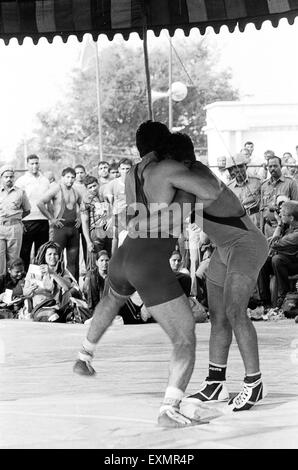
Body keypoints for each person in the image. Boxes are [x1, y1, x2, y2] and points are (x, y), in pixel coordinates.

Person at [74, 121, 226, 428]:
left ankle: (84, 354)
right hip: (149, 259)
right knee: (184, 338)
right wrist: (192, 170)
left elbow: (144, 211)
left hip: (125, 253)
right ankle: (169, 410)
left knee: (111, 300)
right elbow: (212, 190)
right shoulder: (168, 169)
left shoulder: (132, 172)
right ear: (164, 147)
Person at [162, 132, 269, 412]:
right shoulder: (185, 180)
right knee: (218, 317)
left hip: (246, 244)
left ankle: (254, 383)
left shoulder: (199, 178)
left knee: (235, 313)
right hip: (224, 248)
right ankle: (216, 383)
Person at [37, 167, 82, 281]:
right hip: (59, 230)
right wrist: (52, 219)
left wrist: (80, 218)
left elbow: (84, 206)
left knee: (73, 262)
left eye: (73, 177)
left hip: (73, 230)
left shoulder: (75, 191)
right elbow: (40, 203)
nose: (70, 180)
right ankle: (53, 285)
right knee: (54, 259)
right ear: (62, 178)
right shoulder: (56, 189)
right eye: (68, 177)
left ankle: (74, 289)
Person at [23, 241, 82, 322]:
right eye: (49, 254)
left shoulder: (62, 271)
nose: (53, 257)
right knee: (52, 314)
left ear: (59, 256)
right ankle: (56, 316)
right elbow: (25, 292)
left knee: (74, 291)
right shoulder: (34, 270)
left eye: (55, 254)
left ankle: (66, 315)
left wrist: (52, 273)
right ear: (44, 256)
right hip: (40, 307)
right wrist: (30, 289)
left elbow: (67, 287)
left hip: (58, 306)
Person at [258, 200, 298, 308]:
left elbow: (274, 243)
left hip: (294, 264)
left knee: (277, 259)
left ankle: (283, 297)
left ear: (292, 218)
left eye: (283, 214)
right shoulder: (289, 226)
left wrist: (279, 224)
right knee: (264, 261)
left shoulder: (295, 234)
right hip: (286, 262)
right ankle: (265, 302)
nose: (279, 215)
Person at [15, 154, 50, 271]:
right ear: (27, 165)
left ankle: (40, 281)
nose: (35, 166)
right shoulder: (21, 181)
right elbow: (16, 202)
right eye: (32, 163)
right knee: (25, 252)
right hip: (27, 221)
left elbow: (48, 202)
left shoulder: (45, 180)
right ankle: (24, 280)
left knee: (41, 253)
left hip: (43, 220)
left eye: (36, 163)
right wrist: (19, 221)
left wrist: (50, 217)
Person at [0, 166, 31, 276]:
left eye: (11, 177)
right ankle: (1, 289)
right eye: (6, 176)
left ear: (14, 178)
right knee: (0, 261)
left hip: (14, 228)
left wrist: (16, 219)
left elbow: (27, 210)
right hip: (0, 227)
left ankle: (12, 288)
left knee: (14, 260)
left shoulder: (20, 192)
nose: (9, 179)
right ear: (1, 177)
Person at [260, 156, 298, 238]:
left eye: (275, 166)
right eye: (270, 166)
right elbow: (262, 209)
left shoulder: (291, 183)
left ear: (281, 166)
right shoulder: (264, 185)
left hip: (286, 229)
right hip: (268, 228)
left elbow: (296, 208)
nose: (272, 168)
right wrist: (261, 228)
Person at [102, 158, 132, 253]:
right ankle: (113, 262)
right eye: (123, 169)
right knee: (115, 239)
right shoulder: (112, 184)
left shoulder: (135, 183)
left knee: (131, 239)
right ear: (119, 169)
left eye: (127, 169)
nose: (125, 171)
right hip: (117, 216)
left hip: (132, 215)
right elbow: (107, 203)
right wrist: (110, 217)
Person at [80, 175, 112, 259]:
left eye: (94, 185)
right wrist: (88, 241)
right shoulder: (86, 201)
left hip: (108, 231)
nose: (93, 188)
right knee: (94, 260)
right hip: (95, 231)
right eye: (90, 187)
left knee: (108, 258)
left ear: (98, 184)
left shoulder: (104, 197)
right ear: (87, 189)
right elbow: (84, 222)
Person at [226, 153, 261, 226]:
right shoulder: (229, 187)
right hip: (238, 222)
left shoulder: (258, 181)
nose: (238, 170)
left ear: (246, 167)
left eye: (241, 166)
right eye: (235, 167)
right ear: (232, 170)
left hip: (255, 220)